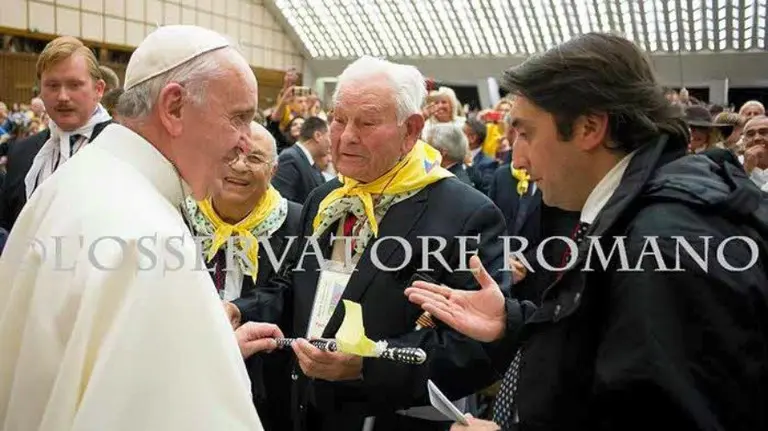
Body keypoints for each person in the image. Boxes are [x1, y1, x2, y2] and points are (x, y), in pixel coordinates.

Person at [406, 32, 768, 431]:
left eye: (526, 133)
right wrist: (513, 321)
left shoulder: (665, 243)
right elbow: (609, 344)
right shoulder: (639, 211)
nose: (519, 158)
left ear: (589, 127)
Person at [0, 25, 283, 430]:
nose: (245, 142)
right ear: (173, 108)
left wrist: (205, 349)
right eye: (239, 118)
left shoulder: (74, 181)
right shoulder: (149, 235)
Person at [244, 55, 508, 431]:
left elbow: (475, 348)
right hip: (305, 410)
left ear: (411, 130)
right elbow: (295, 285)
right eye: (338, 118)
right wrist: (243, 309)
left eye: (366, 122)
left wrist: (367, 367)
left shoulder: (466, 215)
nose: (346, 135)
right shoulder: (325, 199)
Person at [184, 121, 301, 430]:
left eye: (254, 158)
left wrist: (239, 309)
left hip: (266, 382)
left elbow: (291, 287)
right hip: (188, 366)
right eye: (231, 155)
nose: (239, 166)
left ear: (274, 170)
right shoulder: (180, 214)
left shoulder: (297, 221)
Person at [0, 36, 112, 231]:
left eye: (74, 85)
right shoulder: (21, 153)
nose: (62, 97)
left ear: (99, 89)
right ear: (40, 91)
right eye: (52, 86)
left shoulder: (126, 148)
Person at [271, 116, 328, 204]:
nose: (330, 142)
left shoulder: (312, 164)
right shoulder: (290, 157)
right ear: (318, 136)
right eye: (329, 136)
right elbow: (282, 202)